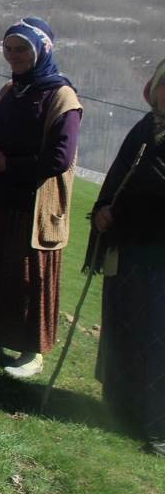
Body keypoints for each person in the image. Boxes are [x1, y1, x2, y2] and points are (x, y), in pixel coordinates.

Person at [0, 18, 82, 378]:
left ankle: (30, 351)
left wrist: (8, 165)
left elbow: (59, 159)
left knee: (28, 276)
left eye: (22, 50)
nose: (14, 57)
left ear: (42, 50)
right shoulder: (10, 91)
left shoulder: (62, 97)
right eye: (9, 50)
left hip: (34, 202)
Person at [88, 58, 165, 455]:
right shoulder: (145, 128)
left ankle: (158, 426)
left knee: (158, 339)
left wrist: (125, 212)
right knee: (124, 327)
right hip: (128, 249)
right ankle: (122, 405)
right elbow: (119, 175)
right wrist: (103, 208)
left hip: (160, 257)